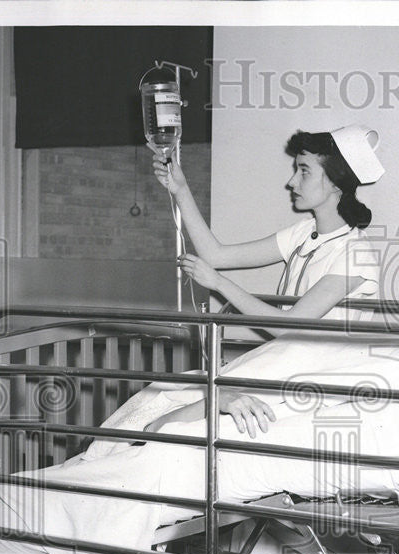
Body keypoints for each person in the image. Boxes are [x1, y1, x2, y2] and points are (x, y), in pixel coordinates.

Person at [144, 125, 385, 436]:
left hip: (320, 373)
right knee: (168, 398)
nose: (291, 182)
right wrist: (181, 190)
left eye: (304, 171)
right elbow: (216, 255)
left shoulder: (357, 253)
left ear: (336, 182)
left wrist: (219, 284)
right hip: (285, 360)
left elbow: (292, 325)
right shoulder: (302, 233)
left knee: (180, 415)